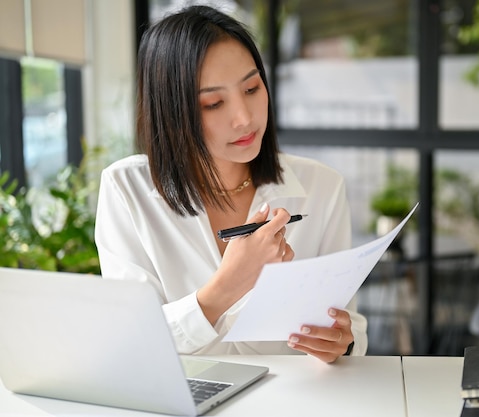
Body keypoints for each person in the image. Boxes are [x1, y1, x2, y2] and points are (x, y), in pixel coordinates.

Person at [94, 5, 367, 363]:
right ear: (172, 111)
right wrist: (227, 285)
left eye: (252, 88)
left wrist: (343, 342)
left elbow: (351, 326)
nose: (244, 118)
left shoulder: (322, 186)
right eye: (213, 103)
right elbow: (129, 344)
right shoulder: (126, 190)